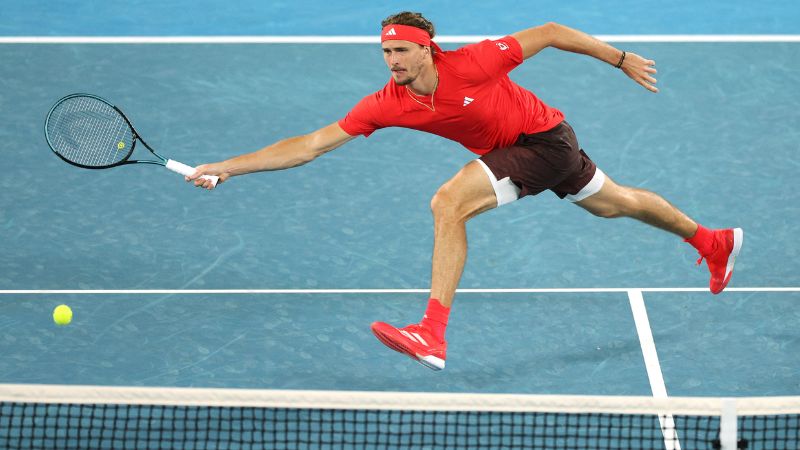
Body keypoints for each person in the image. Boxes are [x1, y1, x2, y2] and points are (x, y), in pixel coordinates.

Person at [187, 12, 743, 371]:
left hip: (545, 140)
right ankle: (712, 240)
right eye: (385, 53)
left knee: (447, 202)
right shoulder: (388, 102)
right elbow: (310, 144)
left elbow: (549, 32)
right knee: (613, 204)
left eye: (401, 52)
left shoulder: (473, 63)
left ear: (427, 49)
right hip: (545, 151)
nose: (392, 62)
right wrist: (230, 167)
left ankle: (432, 333)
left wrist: (619, 59)